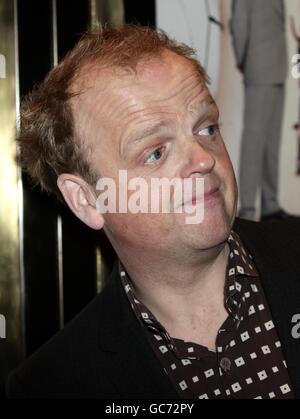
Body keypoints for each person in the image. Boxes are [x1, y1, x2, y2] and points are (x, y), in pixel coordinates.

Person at [6, 25, 300, 399]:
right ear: (87, 200)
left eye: (206, 128)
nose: (202, 159)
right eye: (156, 152)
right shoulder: (51, 386)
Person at [230, 0, 290, 221]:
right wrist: (243, 60)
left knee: (271, 142)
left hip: (278, 69)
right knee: (254, 142)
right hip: (259, 67)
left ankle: (270, 203)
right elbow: (239, 24)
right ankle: (247, 208)